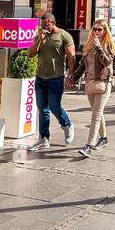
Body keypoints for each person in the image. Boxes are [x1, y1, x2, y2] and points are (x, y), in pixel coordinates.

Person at [27, 12, 75, 150]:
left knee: (54, 107)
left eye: (46, 24)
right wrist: (39, 39)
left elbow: (71, 57)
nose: (43, 27)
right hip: (40, 77)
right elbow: (30, 54)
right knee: (42, 109)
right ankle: (43, 138)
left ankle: (67, 125)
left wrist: (70, 75)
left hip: (56, 78)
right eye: (42, 25)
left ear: (52, 23)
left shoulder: (64, 36)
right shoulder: (40, 36)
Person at [78, 20, 115, 157]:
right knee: (97, 112)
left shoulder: (108, 45)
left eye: (100, 29)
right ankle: (104, 138)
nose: (97, 32)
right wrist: (73, 78)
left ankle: (89, 144)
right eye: (95, 29)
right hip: (90, 83)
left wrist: (99, 47)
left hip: (103, 83)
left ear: (105, 31)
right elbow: (82, 65)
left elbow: (107, 62)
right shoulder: (88, 45)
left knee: (95, 114)